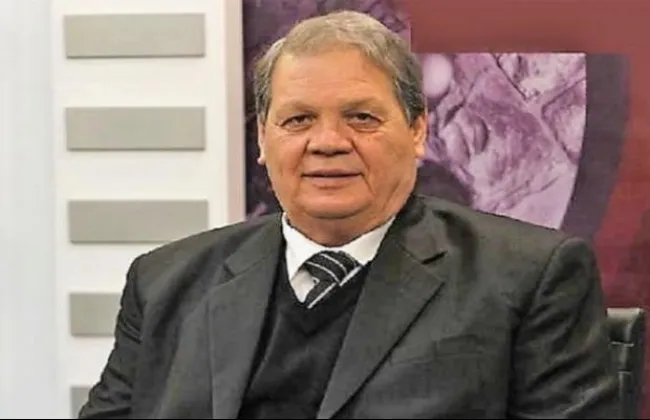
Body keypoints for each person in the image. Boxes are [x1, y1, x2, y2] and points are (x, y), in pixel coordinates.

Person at [78, 10, 620, 419]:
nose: (328, 142)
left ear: (417, 131)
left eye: (361, 117)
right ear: (263, 139)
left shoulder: (529, 279)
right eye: (298, 120)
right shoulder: (165, 284)